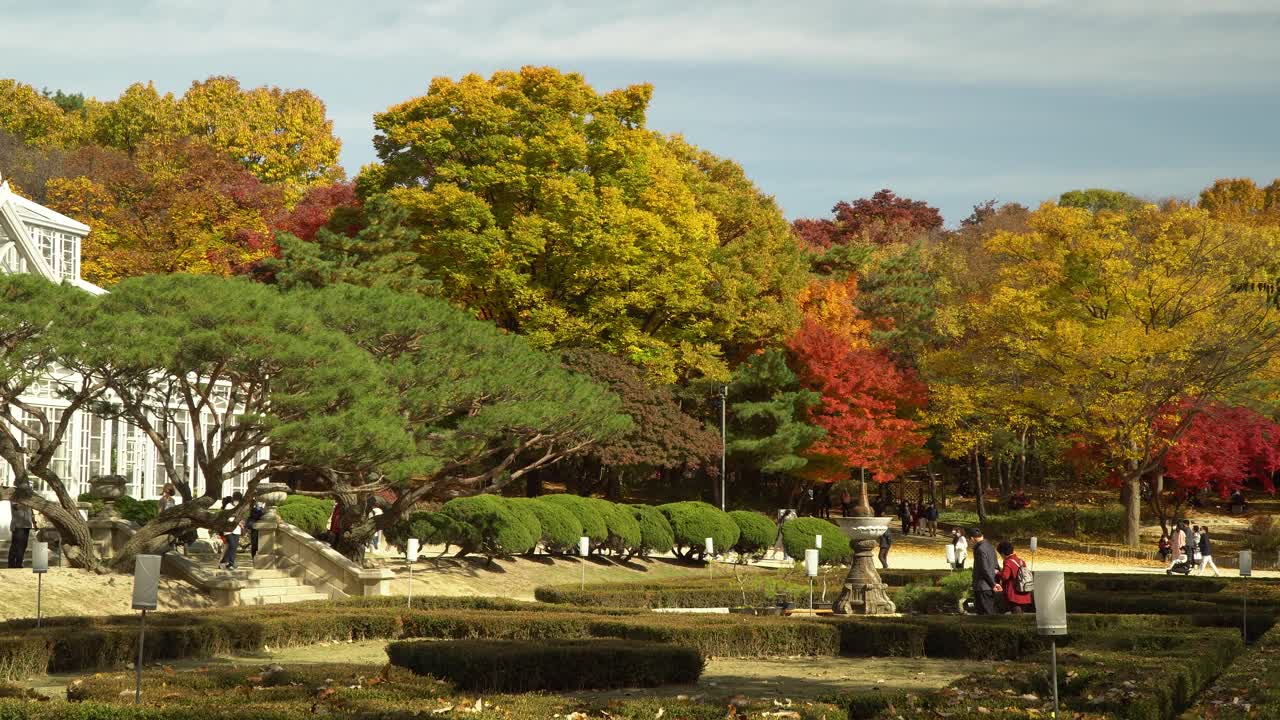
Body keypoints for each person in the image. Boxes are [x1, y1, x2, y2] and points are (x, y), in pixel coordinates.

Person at [995, 540, 1033, 614]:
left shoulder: (1008, 561)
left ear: (1002, 553)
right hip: (1024, 592)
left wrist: (997, 573)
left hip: (1014, 594)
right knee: (1021, 614)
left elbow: (1005, 576)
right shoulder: (1021, 561)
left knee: (1016, 616)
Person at [970, 528, 998, 615]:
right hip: (990, 584)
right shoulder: (990, 546)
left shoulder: (979, 549)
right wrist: (995, 582)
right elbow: (996, 565)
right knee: (990, 611)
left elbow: (984, 569)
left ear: (972, 538)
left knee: (984, 614)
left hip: (982, 586)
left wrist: (992, 584)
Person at [218, 491, 244, 571]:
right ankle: (227, 562)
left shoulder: (241, 506)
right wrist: (238, 522)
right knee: (231, 545)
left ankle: (229, 563)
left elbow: (241, 516)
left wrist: (242, 522)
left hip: (237, 530)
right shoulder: (228, 506)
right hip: (228, 529)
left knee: (234, 547)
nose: (237, 502)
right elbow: (228, 517)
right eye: (236, 500)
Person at [7, 497, 34, 569]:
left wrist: (34, 522)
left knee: (23, 546)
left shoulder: (29, 499)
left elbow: (31, 511)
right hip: (18, 526)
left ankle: (19, 563)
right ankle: (11, 564)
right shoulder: (15, 496)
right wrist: (28, 502)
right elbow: (17, 506)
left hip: (27, 525)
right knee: (16, 546)